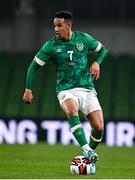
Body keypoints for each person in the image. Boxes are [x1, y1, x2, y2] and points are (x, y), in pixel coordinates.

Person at [23, 11, 108, 164]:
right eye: (54, 26)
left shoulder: (83, 38)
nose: (56, 29)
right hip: (65, 89)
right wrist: (28, 89)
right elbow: (33, 67)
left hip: (87, 88)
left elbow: (103, 50)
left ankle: (87, 158)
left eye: (59, 25)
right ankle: (87, 151)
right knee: (71, 110)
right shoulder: (50, 46)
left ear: (68, 26)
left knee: (99, 127)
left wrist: (97, 62)